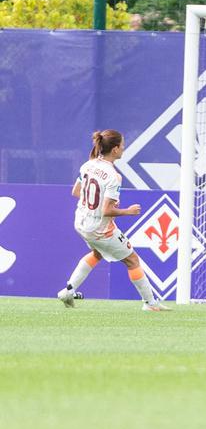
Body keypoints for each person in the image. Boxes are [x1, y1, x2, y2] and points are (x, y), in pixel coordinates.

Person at [57, 130, 169, 311]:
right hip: (99, 228)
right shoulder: (113, 176)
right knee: (132, 260)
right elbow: (107, 211)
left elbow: (76, 192)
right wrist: (129, 211)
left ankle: (68, 291)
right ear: (115, 149)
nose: (123, 148)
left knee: (97, 253)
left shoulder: (88, 165)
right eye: (122, 145)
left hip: (81, 221)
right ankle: (150, 303)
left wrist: (93, 204)